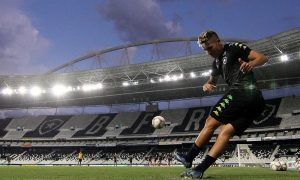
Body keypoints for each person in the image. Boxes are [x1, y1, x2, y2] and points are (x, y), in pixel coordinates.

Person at [175, 31, 267, 179]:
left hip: (242, 91)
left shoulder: (233, 48)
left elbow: (262, 58)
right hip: (255, 103)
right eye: (205, 50)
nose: (208, 52)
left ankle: (188, 157)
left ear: (218, 41)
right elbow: (212, 80)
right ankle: (199, 169)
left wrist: (250, 64)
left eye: (210, 48)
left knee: (210, 122)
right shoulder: (216, 62)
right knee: (225, 132)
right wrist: (207, 84)